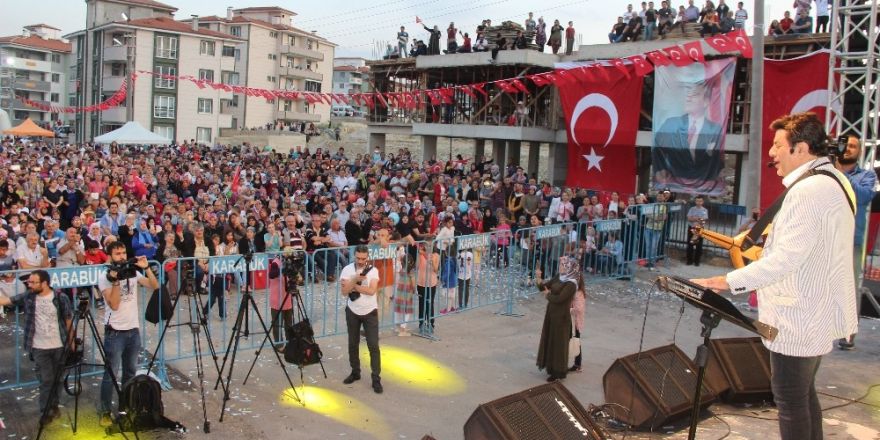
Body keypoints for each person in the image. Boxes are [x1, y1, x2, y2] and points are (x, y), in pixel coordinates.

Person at [693, 112, 857, 440]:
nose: (771, 152)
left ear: (802, 148)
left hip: (798, 318)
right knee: (803, 396)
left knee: (791, 400)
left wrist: (724, 281)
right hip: (811, 314)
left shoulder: (810, 191)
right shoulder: (830, 182)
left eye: (777, 144)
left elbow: (784, 260)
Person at [98, 241, 159, 426]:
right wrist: (116, 281)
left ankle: (125, 407)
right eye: (117, 253)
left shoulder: (133, 272)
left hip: (133, 330)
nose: (122, 256)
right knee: (111, 374)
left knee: (130, 372)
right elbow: (114, 305)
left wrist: (146, 267)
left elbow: (154, 285)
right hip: (115, 332)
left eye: (123, 252)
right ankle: (105, 411)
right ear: (110, 256)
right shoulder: (104, 276)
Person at [0, 270, 73, 426]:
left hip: (60, 346)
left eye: (33, 282)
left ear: (45, 283)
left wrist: (71, 343)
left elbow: (68, 320)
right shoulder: (29, 297)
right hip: (39, 347)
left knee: (58, 379)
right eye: (29, 282)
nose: (30, 285)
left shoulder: (61, 298)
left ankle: (53, 405)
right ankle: (45, 411)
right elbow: (7, 300)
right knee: (46, 380)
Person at [834, 133, 877, 350]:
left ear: (859, 151)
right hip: (826, 238)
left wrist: (840, 174)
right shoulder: (827, 172)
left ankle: (847, 334)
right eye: (845, 145)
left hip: (851, 241)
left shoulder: (866, 176)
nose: (848, 148)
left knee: (848, 288)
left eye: (853, 146)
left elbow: (863, 196)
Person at [653, 83, 725, 192]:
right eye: (687, 95)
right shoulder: (670, 124)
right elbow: (657, 149)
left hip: (704, 185)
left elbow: (718, 160)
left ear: (706, 102)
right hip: (674, 182)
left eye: (694, 95)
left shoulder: (715, 129)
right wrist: (660, 169)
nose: (688, 98)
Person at [340, 245, 382, 394]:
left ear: (367, 258)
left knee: (373, 345)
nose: (360, 261)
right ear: (354, 256)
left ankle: (376, 378)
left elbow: (371, 291)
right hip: (352, 311)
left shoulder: (374, 271)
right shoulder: (347, 270)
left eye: (363, 259)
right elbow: (344, 292)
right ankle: (355, 372)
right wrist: (355, 279)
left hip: (370, 311)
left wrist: (354, 286)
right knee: (353, 343)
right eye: (358, 258)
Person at [535, 256, 577, 382]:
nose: (561, 267)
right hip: (551, 313)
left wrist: (548, 295)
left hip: (562, 317)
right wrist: (538, 278)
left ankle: (558, 371)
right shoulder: (559, 277)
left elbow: (559, 299)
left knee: (559, 344)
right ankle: (550, 368)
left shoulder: (571, 284)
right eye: (561, 265)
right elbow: (544, 287)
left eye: (564, 265)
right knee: (550, 340)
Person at [568, 273, 586, 373]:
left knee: (576, 342)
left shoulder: (579, 293)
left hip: (576, 321)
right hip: (576, 320)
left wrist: (569, 309)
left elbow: (579, 309)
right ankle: (577, 363)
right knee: (576, 341)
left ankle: (578, 364)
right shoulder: (577, 291)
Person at [686, 195, 709, 266]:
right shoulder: (692, 209)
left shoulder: (705, 210)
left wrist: (695, 218)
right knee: (690, 244)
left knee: (699, 245)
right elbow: (689, 218)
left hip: (700, 229)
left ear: (702, 202)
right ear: (695, 201)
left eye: (700, 201)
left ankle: (697, 261)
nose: (698, 202)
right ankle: (689, 260)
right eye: (697, 201)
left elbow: (704, 220)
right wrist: (697, 219)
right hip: (692, 228)